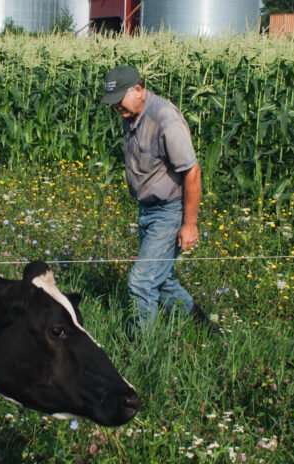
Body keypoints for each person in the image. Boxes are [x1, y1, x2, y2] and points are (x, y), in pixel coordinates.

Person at [101, 65, 216, 333]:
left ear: (138, 90)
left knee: (141, 283)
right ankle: (204, 329)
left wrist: (190, 224)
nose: (116, 107)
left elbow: (192, 171)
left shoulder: (165, 119)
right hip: (147, 208)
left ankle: (142, 350)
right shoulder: (131, 114)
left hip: (169, 210)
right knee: (162, 281)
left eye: (119, 99)